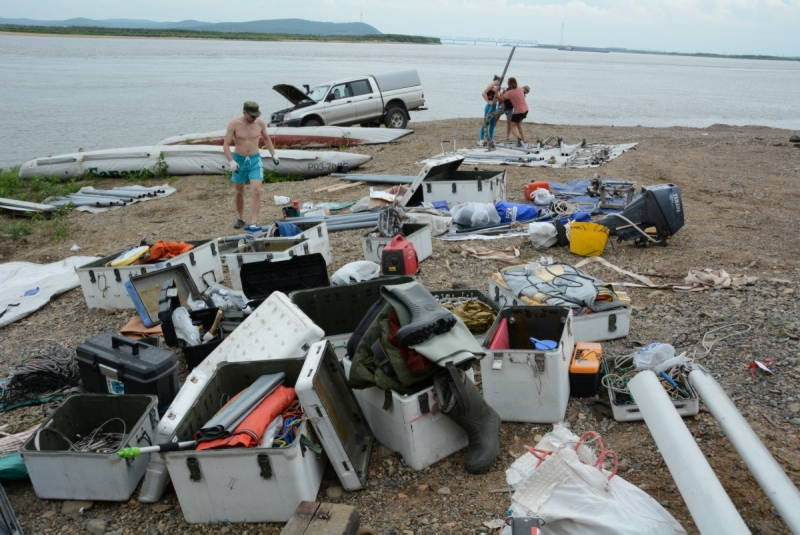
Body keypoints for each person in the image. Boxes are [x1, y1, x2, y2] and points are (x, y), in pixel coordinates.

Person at [223, 101, 280, 232]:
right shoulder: (234, 124)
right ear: (244, 112)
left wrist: (274, 154)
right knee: (239, 191)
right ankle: (240, 218)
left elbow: (266, 138)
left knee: (257, 190)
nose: (254, 118)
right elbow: (226, 145)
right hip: (239, 161)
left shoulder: (260, 123)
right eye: (252, 116)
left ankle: (254, 222)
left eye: (256, 115)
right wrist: (231, 161)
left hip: (255, 160)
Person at [498, 78, 530, 146]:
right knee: (518, 125)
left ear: (509, 84)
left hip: (518, 112)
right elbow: (524, 91)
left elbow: (501, 99)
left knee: (512, 126)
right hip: (525, 110)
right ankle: (523, 139)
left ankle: (520, 139)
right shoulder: (520, 89)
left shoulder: (509, 93)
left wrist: (497, 93)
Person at [479, 75, 501, 145]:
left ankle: (490, 139)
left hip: (494, 106)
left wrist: (498, 93)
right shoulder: (491, 86)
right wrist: (488, 101)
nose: (500, 83)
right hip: (489, 106)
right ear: (496, 80)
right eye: (499, 81)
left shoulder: (496, 88)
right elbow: (483, 93)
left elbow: (498, 97)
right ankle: (481, 139)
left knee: (492, 124)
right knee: (485, 123)